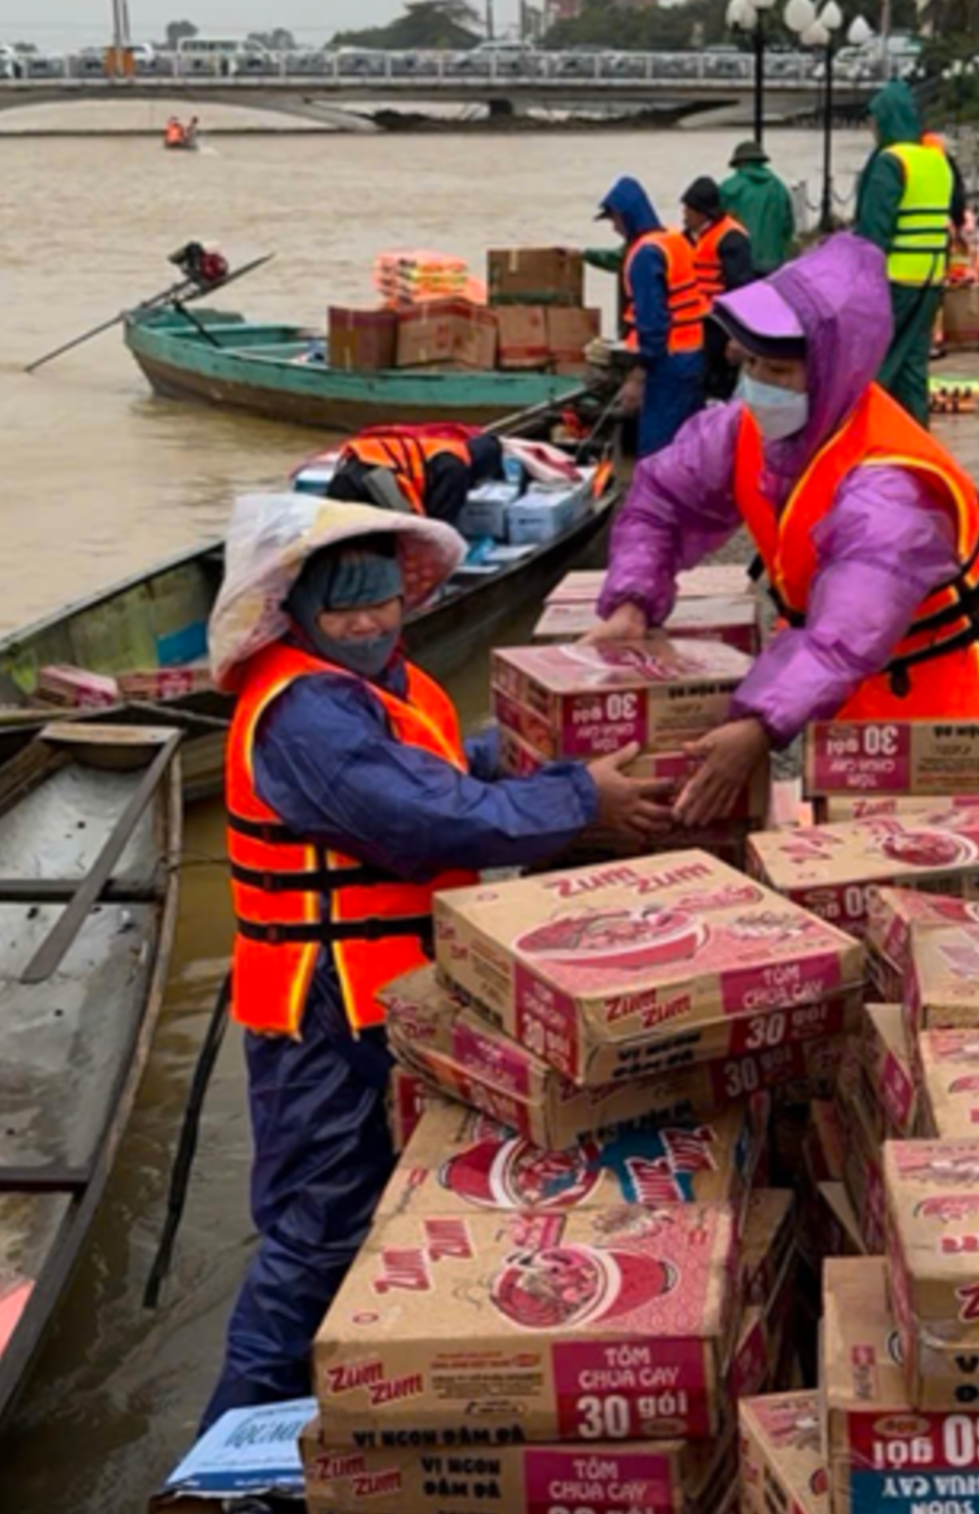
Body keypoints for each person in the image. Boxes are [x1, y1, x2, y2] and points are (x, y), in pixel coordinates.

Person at [197, 493, 666, 1436]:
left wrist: (539, 751)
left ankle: (360, 1389)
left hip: (392, 993)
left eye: (383, 601)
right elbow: (425, 821)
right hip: (321, 1007)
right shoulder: (301, 714)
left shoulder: (380, 685)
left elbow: (445, 767)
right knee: (316, 1219)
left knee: (386, 1194)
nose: (370, 622)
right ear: (295, 610)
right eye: (345, 607)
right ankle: (230, 1447)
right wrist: (582, 800)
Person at [587, 233, 979, 827]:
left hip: (960, 676)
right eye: (749, 363)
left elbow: (843, 635)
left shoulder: (888, 492)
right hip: (851, 667)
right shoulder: (750, 426)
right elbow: (660, 498)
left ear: (831, 371)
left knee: (945, 850)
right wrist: (632, 600)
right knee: (847, 828)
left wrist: (757, 727)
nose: (756, 383)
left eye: (777, 369)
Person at [851, 83, 969, 427]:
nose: (872, 129)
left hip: (894, 277)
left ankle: (870, 433)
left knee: (878, 360)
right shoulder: (938, 161)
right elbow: (954, 209)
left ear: (886, 120)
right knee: (914, 363)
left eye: (874, 121)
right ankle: (916, 433)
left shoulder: (890, 162)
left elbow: (875, 229)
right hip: (931, 276)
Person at [593, 176, 707, 457]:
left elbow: (652, 320)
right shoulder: (673, 240)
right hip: (694, 354)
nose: (615, 228)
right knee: (688, 445)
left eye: (614, 220)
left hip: (667, 362)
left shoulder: (644, 255)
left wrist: (640, 374)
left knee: (658, 449)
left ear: (625, 216)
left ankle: (656, 500)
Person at [328, 422, 506, 528]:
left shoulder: (447, 447)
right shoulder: (456, 470)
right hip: (369, 483)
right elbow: (439, 524)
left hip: (351, 470)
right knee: (409, 534)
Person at [680, 176, 754, 397]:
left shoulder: (731, 238)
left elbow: (742, 289)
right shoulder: (694, 235)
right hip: (699, 323)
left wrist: (738, 336)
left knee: (718, 384)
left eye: (688, 210)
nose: (684, 215)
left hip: (721, 325)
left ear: (702, 212)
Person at [718, 138, 797, 278]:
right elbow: (788, 227)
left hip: (741, 263)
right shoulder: (779, 187)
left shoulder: (729, 188)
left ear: (738, 163)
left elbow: (717, 227)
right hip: (774, 262)